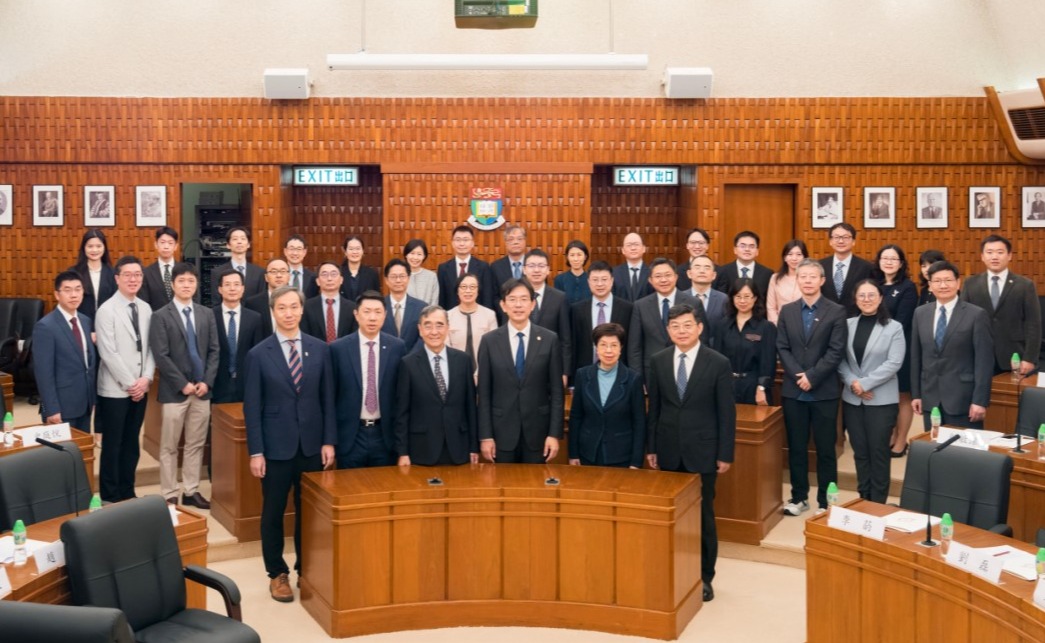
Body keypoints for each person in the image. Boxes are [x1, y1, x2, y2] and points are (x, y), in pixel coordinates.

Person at [244, 286, 336, 603]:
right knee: (272, 512)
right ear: (273, 311)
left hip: (312, 446)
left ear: (302, 310)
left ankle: (305, 569)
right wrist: (256, 451)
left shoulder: (319, 349)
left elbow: (327, 399)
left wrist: (328, 441)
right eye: (282, 307)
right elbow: (252, 407)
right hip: (275, 448)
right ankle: (277, 573)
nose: (289, 313)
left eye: (294, 307)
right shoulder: (259, 354)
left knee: (308, 514)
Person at [646, 303, 735, 603]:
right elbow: (655, 409)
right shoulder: (658, 361)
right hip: (668, 450)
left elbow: (726, 413)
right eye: (675, 326)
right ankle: (671, 570)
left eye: (687, 325)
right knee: (670, 515)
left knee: (703, 515)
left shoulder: (718, 362)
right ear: (668, 330)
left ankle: (704, 576)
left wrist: (725, 453)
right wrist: (652, 447)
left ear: (699, 328)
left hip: (704, 451)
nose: (681, 331)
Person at [777, 259, 847, 515]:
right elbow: (782, 347)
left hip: (824, 391)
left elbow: (836, 350)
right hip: (794, 391)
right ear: (797, 280)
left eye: (812, 276)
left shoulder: (836, 311)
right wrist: (799, 375)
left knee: (826, 449)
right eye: (802, 276)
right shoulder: (787, 311)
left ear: (822, 280)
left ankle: (826, 502)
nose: (807, 280)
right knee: (797, 448)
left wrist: (813, 376)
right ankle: (799, 498)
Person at [148, 263, 219, 509]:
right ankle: (169, 492)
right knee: (169, 446)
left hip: (202, 391)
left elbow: (214, 351)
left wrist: (206, 381)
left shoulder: (206, 314)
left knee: (195, 444)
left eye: (191, 281)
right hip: (174, 392)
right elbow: (161, 356)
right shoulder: (160, 316)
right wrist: (182, 384)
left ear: (196, 284)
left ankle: (191, 490)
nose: (186, 285)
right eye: (182, 281)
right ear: (173, 285)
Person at [477, 279, 564, 464]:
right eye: (512, 299)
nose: (518, 305)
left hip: (538, 433)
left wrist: (554, 434)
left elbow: (557, 392)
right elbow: (484, 393)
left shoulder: (549, 339)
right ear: (503, 305)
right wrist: (486, 436)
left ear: (532, 304)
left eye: (524, 299)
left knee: (536, 482)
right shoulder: (489, 341)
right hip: (500, 433)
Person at [838, 280, 904, 503]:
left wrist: (865, 384)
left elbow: (894, 362)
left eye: (871, 295)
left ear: (880, 297)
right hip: (852, 400)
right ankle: (863, 499)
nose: (867, 300)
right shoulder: (846, 325)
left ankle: (878, 504)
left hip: (881, 400)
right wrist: (853, 383)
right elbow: (839, 359)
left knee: (878, 453)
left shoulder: (894, 327)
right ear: (855, 299)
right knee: (860, 452)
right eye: (862, 295)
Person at [95, 256, 155, 502]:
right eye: (128, 275)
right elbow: (108, 353)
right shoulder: (106, 310)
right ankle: (110, 495)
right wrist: (131, 384)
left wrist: (146, 378)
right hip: (115, 390)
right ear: (117, 278)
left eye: (137, 274)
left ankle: (127, 491)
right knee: (113, 445)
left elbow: (151, 348)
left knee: (131, 443)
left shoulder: (145, 308)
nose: (133, 279)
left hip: (141, 387)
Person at [910, 261, 994, 430]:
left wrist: (979, 401)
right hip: (930, 397)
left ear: (958, 283)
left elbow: (984, 361)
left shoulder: (976, 314)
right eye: (937, 281)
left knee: (963, 446)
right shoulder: (920, 313)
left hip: (964, 400)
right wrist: (916, 394)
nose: (943, 285)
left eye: (948, 280)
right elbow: (916, 356)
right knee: (932, 444)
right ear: (930, 285)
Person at [394, 305, 479, 466]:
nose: (434, 332)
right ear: (420, 330)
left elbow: (470, 407)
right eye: (428, 326)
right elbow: (402, 413)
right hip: (422, 448)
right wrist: (403, 452)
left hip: (459, 447)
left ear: (448, 327)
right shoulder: (408, 364)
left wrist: (473, 447)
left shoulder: (463, 361)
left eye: (439, 325)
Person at [330, 291, 406, 468]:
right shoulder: (338, 348)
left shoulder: (397, 347)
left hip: (384, 436)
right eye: (367, 311)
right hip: (350, 436)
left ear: (385, 315)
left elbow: (401, 396)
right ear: (356, 314)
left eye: (378, 312)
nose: (372, 317)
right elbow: (331, 396)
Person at [960, 235, 1041, 375]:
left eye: (1000, 252)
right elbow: (963, 321)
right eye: (989, 252)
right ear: (982, 256)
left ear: (1009, 256)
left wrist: (1029, 358)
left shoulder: (1025, 285)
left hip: (1014, 356)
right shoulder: (970, 284)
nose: (994, 257)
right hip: (978, 356)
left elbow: (1033, 324)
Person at [568, 323, 645, 468]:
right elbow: (576, 416)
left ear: (621, 348)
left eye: (614, 345)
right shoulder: (582, 375)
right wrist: (573, 454)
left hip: (621, 455)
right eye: (603, 345)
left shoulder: (633, 379)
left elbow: (639, 422)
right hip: (588, 453)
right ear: (596, 348)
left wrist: (636, 462)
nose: (608, 350)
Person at [33, 271, 96, 430]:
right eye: (67, 290)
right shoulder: (45, 326)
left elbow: (87, 364)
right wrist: (51, 408)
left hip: (85, 403)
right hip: (60, 407)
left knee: (82, 445)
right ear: (57, 295)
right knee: (63, 447)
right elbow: (43, 373)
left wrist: (92, 398)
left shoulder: (85, 321)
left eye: (78, 289)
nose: (74, 295)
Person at [872, 244, 917, 457]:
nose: (888, 262)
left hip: (899, 347)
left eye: (893, 259)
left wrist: (882, 340)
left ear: (901, 263)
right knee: (885, 394)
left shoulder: (907, 287)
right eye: (885, 258)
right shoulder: (874, 285)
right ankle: (890, 435)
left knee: (902, 395)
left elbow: (902, 321)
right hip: (874, 349)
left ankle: (901, 441)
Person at [627, 258, 700, 378]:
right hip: (652, 371)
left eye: (668, 275)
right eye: (658, 276)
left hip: (687, 369)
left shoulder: (693, 303)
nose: (663, 280)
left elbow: (702, 339)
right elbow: (634, 348)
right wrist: (637, 379)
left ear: (676, 277)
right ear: (650, 280)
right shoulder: (640, 306)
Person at [569, 260, 633, 377]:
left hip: (620, 372)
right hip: (585, 373)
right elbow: (573, 345)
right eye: (595, 280)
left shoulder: (627, 308)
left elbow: (631, 344)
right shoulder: (576, 310)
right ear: (588, 282)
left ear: (612, 281)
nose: (599, 284)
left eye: (604, 279)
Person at [718, 279, 776, 405]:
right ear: (732, 298)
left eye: (747, 296)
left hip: (754, 387)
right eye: (738, 296)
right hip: (727, 385)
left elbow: (768, 362)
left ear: (755, 298)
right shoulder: (723, 325)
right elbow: (717, 358)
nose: (742, 301)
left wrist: (762, 387)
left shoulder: (766, 327)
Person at [211, 268, 263, 404]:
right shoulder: (209, 316)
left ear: (243, 288)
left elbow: (258, 354)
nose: (232, 288)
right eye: (227, 285)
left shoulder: (255, 318)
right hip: (216, 384)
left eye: (236, 284)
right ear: (220, 289)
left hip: (246, 384)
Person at [523, 249, 572, 378]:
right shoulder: (516, 297)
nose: (536, 270)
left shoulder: (559, 298)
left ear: (548, 270)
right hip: (521, 363)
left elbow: (565, 338)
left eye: (541, 266)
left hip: (551, 366)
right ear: (524, 270)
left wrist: (565, 371)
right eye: (531, 266)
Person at [818, 222, 873, 316]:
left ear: (853, 241)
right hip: (825, 318)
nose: (841, 241)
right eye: (836, 237)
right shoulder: (820, 266)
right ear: (830, 241)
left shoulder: (866, 267)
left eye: (846, 237)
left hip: (855, 318)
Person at [447, 273, 498, 374]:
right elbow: (446, 348)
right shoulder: (448, 316)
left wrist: (480, 373)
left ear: (478, 291)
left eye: (472, 287)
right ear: (457, 291)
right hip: (455, 370)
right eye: (463, 287)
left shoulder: (489, 315)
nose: (468, 291)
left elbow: (493, 347)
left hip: (483, 371)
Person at [437, 225, 495, 310]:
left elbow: (487, 298)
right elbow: (441, 298)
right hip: (451, 315)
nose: (462, 244)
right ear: (452, 243)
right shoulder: (443, 268)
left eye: (466, 240)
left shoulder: (483, 267)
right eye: (458, 240)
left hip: (477, 314)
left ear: (472, 243)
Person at [302, 261, 357, 343]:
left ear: (341, 280)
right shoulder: (307, 307)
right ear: (317, 281)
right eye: (324, 275)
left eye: (334, 274)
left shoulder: (352, 307)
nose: (329, 278)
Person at [209, 226, 266, 304]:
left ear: (248, 244)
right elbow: (216, 302)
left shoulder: (259, 272)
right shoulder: (217, 272)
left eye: (243, 238)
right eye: (235, 239)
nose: (239, 242)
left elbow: (261, 300)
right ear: (228, 245)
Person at [69, 229, 116, 322]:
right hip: (81, 324)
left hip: (108, 324)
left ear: (104, 247)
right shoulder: (73, 273)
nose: (94, 250)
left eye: (99, 246)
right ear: (84, 248)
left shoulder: (113, 273)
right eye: (90, 246)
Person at [381, 258, 425, 352]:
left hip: (413, 358)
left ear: (408, 278)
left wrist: (410, 358)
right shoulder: (379, 306)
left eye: (402, 276)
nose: (398, 280)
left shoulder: (421, 307)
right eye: (393, 276)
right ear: (386, 280)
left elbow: (423, 336)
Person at [712, 230, 772, 296]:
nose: (747, 249)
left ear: (757, 251)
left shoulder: (767, 274)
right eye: (743, 246)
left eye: (751, 246)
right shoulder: (722, 271)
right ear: (735, 250)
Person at [686, 255, 728, 340]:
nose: (702, 271)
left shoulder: (723, 299)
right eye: (697, 267)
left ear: (714, 275)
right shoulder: (681, 298)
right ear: (689, 273)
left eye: (707, 268)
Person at [766, 240, 807, 324]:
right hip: (780, 325)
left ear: (804, 257)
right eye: (790, 254)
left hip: (804, 325)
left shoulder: (809, 279)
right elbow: (771, 307)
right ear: (784, 257)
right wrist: (779, 325)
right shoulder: (775, 278)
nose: (794, 258)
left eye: (799, 254)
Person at [140, 226, 179, 311]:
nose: (166, 246)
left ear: (176, 246)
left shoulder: (183, 271)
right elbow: (144, 303)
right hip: (156, 317)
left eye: (170, 243)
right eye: (162, 242)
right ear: (156, 245)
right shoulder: (146, 273)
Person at [339, 235, 381, 303]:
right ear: (345, 252)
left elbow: (377, 299)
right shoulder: (338, 273)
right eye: (351, 249)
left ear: (363, 251)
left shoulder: (372, 274)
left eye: (358, 249)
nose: (354, 252)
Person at [611, 232, 653, 302]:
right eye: (629, 245)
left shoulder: (652, 272)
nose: (633, 248)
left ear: (644, 248)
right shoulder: (614, 273)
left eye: (636, 244)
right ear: (623, 250)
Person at [489, 224, 528, 295]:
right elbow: (493, 295)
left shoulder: (533, 264)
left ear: (525, 241)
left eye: (519, 239)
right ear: (505, 243)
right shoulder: (496, 267)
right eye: (511, 239)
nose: (516, 242)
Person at [553, 240, 591, 304]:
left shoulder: (591, 279)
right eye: (572, 255)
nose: (576, 259)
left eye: (579, 255)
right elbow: (557, 304)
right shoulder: (559, 280)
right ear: (567, 257)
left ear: (585, 257)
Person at [403, 238, 439, 306]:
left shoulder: (432, 276)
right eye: (412, 253)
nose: (415, 257)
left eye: (419, 254)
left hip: (427, 312)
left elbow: (434, 302)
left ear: (424, 256)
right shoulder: (400, 275)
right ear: (406, 255)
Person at [283, 234, 318, 299]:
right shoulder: (279, 275)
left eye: (299, 249)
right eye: (291, 249)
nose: (295, 253)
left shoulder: (313, 277)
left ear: (304, 252)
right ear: (285, 251)